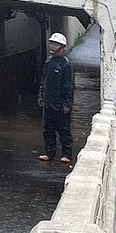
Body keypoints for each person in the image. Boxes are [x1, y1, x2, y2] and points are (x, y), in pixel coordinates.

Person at [39, 31, 74, 164]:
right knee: (48, 129)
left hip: (60, 103)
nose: (52, 46)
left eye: (55, 44)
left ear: (62, 47)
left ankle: (66, 154)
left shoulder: (66, 64)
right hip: (49, 102)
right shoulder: (49, 61)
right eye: (51, 43)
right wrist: (41, 96)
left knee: (64, 129)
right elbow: (44, 80)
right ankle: (49, 152)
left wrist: (67, 103)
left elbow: (69, 85)